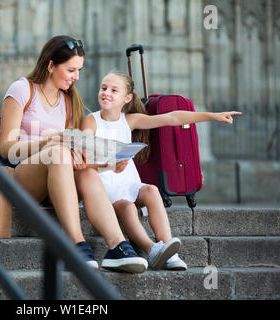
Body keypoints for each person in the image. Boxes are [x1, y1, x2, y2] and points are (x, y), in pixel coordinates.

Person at [0, 36, 148, 273]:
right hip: (22, 178)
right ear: (50, 65)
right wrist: (47, 143)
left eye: (79, 70)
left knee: (85, 172)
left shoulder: (68, 101)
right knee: (58, 152)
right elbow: (6, 148)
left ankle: (117, 247)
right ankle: (76, 244)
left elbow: (73, 146)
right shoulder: (22, 89)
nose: (76, 76)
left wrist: (106, 160)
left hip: (58, 179)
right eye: (70, 70)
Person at [81, 70, 242, 271]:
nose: (106, 93)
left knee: (152, 190)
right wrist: (108, 162)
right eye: (104, 88)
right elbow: (84, 148)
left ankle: (168, 251)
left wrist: (212, 116)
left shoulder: (129, 120)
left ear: (127, 98)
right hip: (104, 185)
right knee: (128, 207)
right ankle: (152, 249)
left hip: (126, 182)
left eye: (114, 90)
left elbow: (172, 118)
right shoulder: (91, 120)